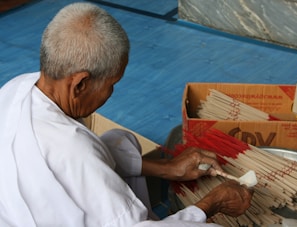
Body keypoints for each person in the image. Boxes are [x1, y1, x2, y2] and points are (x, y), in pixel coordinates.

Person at [0, 2, 253, 227]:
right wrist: (210, 205)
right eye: (111, 84)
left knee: (120, 140)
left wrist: (168, 168)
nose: (111, 93)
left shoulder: (16, 87)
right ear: (80, 84)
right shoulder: (72, 149)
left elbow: (83, 164)